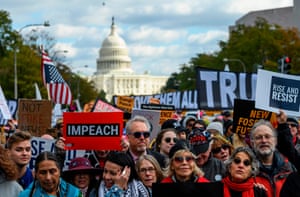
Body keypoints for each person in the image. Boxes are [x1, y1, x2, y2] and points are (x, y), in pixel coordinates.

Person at [250, 119, 296, 197]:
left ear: (275, 141)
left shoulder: (290, 168)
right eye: (258, 137)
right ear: (252, 143)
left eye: (267, 137)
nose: (264, 141)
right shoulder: (245, 170)